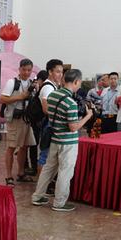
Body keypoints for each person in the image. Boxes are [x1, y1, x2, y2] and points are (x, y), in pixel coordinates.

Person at [31, 69, 93, 212]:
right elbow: (73, 127)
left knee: (48, 169)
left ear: (64, 79)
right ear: (76, 82)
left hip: (55, 138)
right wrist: (88, 116)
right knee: (65, 172)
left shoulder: (53, 95)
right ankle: (59, 203)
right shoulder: (70, 103)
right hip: (68, 143)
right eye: (79, 83)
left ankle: (37, 196)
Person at [0, 58, 37, 186]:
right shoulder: (12, 82)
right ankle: (8, 176)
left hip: (27, 119)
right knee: (11, 147)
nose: (26, 72)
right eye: (24, 69)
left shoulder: (32, 84)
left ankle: (21, 173)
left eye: (29, 70)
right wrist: (20, 97)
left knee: (24, 146)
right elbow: (2, 99)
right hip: (15, 119)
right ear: (19, 69)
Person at [37, 59, 64, 171]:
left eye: (61, 72)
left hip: (50, 123)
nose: (60, 75)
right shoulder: (48, 87)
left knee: (48, 155)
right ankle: (41, 181)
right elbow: (46, 109)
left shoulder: (53, 86)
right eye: (57, 72)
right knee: (45, 155)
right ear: (50, 72)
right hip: (48, 124)